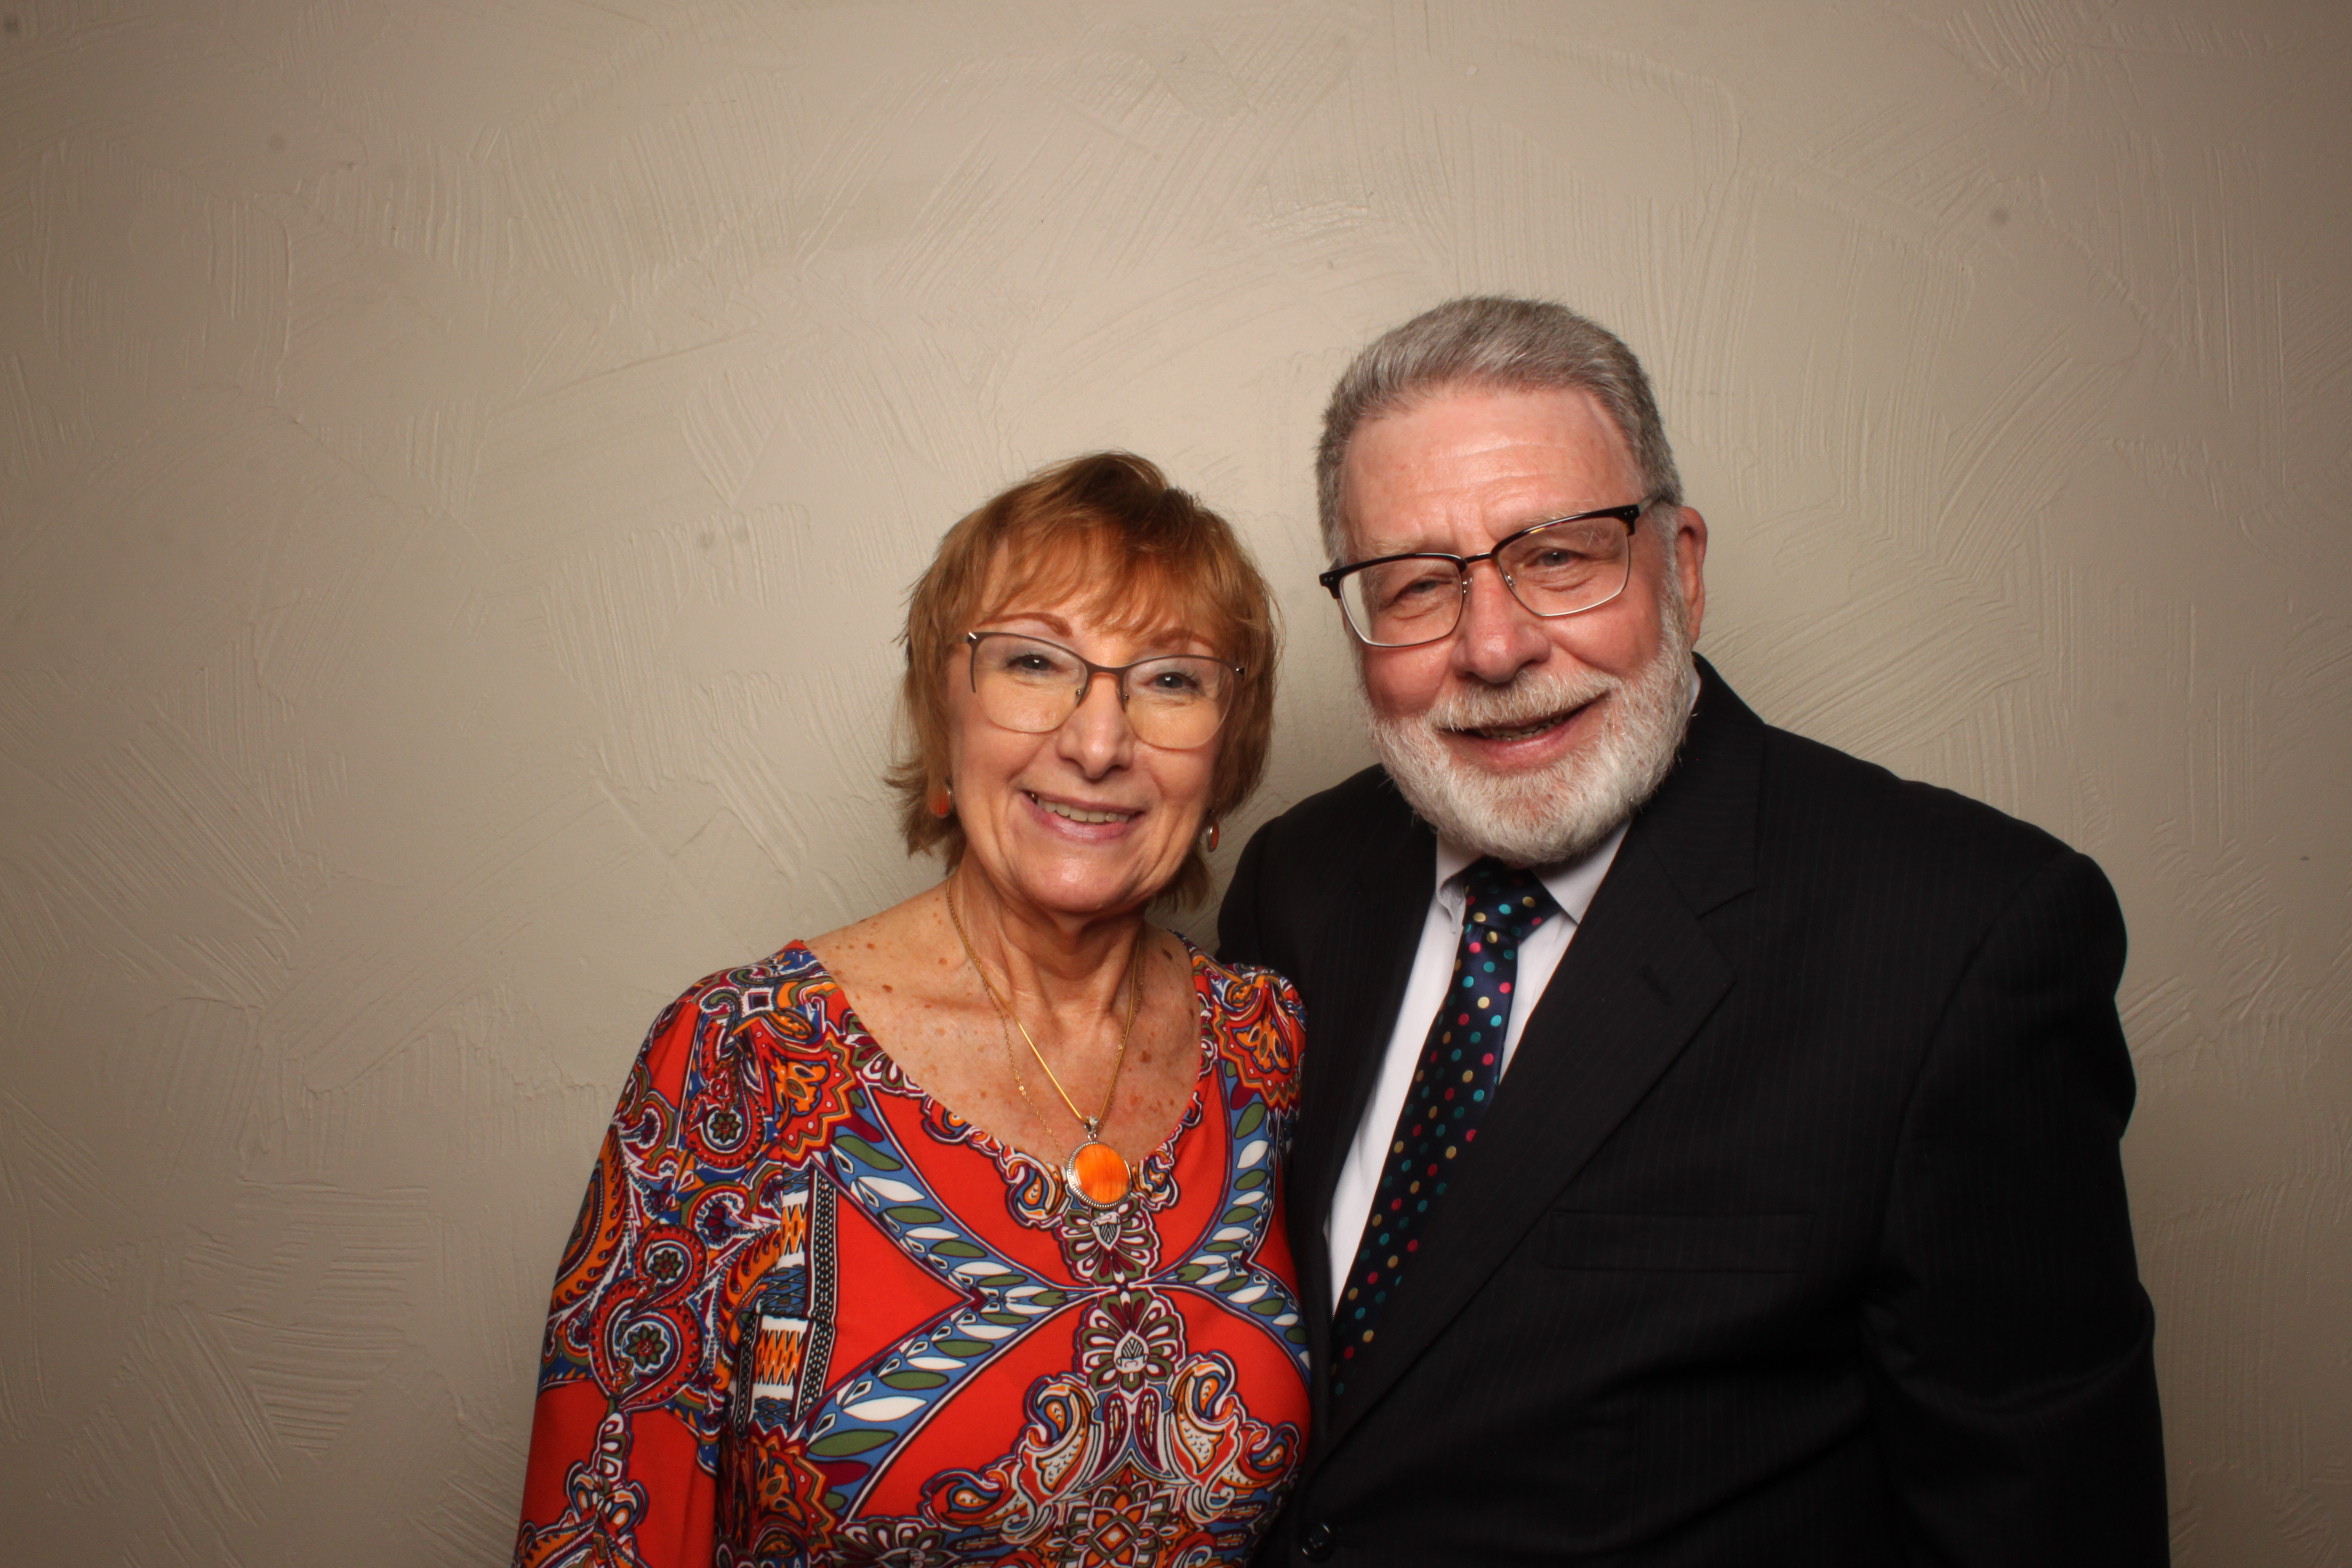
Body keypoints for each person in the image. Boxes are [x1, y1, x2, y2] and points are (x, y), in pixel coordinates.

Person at [1219, 297, 2167, 1566]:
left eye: (1561, 557)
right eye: (1419, 585)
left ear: (1684, 564)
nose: (1494, 645)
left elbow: (2047, 1521)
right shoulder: (1297, 883)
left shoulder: (1960, 939)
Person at [514, 453, 1309, 1567]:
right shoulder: (745, 1056)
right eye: (1033, 662)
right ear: (944, 714)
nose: (1097, 742)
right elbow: (603, 1529)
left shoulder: (1267, 1043)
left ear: (1226, 753)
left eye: (1171, 680)